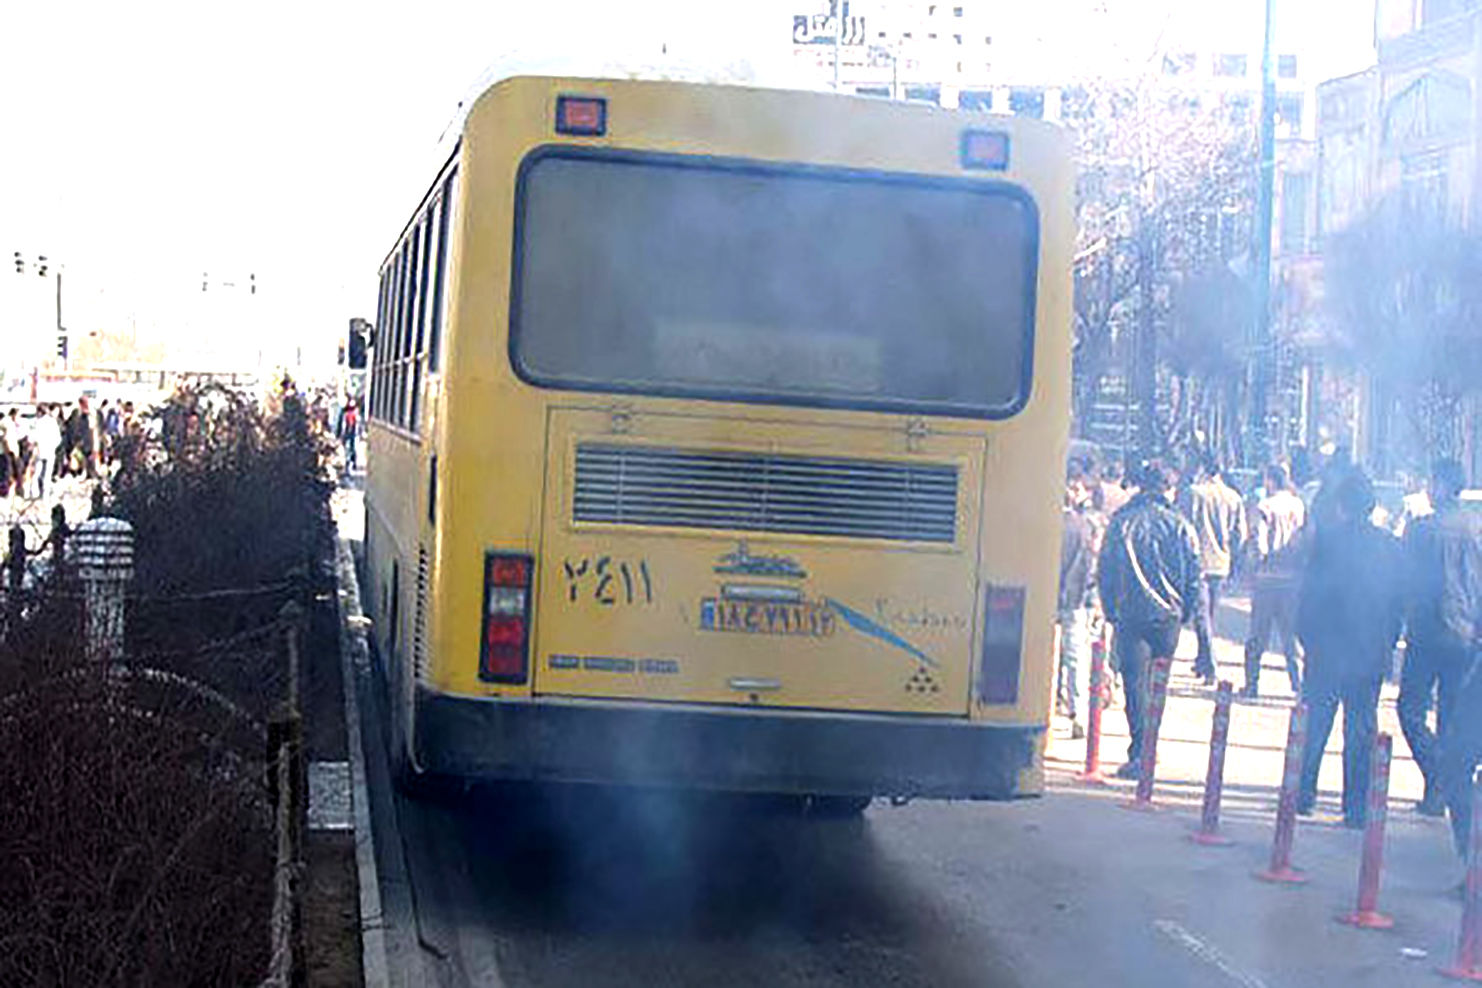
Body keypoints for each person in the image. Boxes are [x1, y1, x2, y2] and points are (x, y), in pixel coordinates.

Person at [1296, 469, 1403, 828]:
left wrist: (1306, 639)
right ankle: (1356, 808)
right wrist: (1386, 646)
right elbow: (1396, 606)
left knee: (1314, 727)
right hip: (1368, 653)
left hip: (1326, 650)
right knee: (1360, 732)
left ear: (1342, 505)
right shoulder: (1390, 546)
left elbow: (1309, 596)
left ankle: (1303, 796)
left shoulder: (1327, 541)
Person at [1096, 460, 1201, 780]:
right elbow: (1194, 575)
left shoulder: (1121, 522)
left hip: (1130, 613)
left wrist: (1110, 608)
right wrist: (1187, 611)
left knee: (1135, 685)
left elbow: (1106, 569)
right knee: (1158, 685)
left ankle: (1140, 748)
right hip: (1168, 615)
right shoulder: (1181, 525)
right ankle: (1149, 746)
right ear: (1169, 487)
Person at [1399, 459, 1482, 817]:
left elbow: (1404, 581)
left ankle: (1438, 777)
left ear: (1444, 485)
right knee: (1449, 715)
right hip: (1466, 635)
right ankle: (1440, 789)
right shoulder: (1479, 528)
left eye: (1432, 481)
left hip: (1428, 632)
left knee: (1410, 709)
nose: (1428, 489)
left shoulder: (1421, 531)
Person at [1179, 456, 1248, 685]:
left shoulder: (1193, 493)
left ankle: (1210, 665)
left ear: (1202, 468)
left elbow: (1183, 527)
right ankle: (1202, 660)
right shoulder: (1234, 497)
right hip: (1221, 562)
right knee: (1209, 615)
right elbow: (1241, 534)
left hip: (1198, 562)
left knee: (1201, 616)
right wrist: (1235, 560)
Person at [1243, 463, 1307, 697]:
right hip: (1291, 580)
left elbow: (1257, 542)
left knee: (1258, 635)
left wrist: (1254, 568)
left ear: (1271, 480)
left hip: (1267, 580)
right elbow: (1303, 539)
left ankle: (1251, 685)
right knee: (1291, 636)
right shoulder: (1298, 505)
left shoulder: (1264, 507)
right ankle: (1298, 684)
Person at [1057, 480, 1094, 740]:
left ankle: (1046, 703)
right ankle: (1078, 713)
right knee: (1075, 659)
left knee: (1044, 657)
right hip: (1075, 600)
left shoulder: (1043, 526)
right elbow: (1089, 566)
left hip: (1044, 600)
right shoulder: (1083, 527)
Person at [27, 404, 59, 500]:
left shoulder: (37, 422)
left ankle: (34, 493)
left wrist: (33, 446)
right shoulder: (53, 422)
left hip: (39, 451)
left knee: (37, 473)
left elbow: (31, 438)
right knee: (47, 474)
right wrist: (53, 446)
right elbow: (58, 438)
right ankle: (45, 495)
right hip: (50, 451)